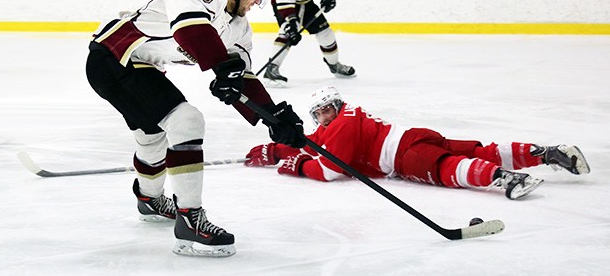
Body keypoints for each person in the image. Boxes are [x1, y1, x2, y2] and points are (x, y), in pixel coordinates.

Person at [85, 0, 306, 258]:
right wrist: (219, 67)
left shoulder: (239, 28)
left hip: (139, 66)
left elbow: (241, 76)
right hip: (110, 58)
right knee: (186, 120)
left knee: (152, 136)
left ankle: (149, 200)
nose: (259, 0)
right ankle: (190, 219)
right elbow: (190, 29)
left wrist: (274, 117)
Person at [245, 86, 590, 200]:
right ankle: (546, 154)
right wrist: (276, 151)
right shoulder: (344, 120)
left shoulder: (341, 127)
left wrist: (299, 167)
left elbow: (333, 169)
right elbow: (313, 142)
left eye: (321, 113)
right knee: (475, 150)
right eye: (318, 114)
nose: (319, 119)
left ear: (331, 108)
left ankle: (505, 178)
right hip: (414, 137)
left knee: (446, 169)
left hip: (403, 155)